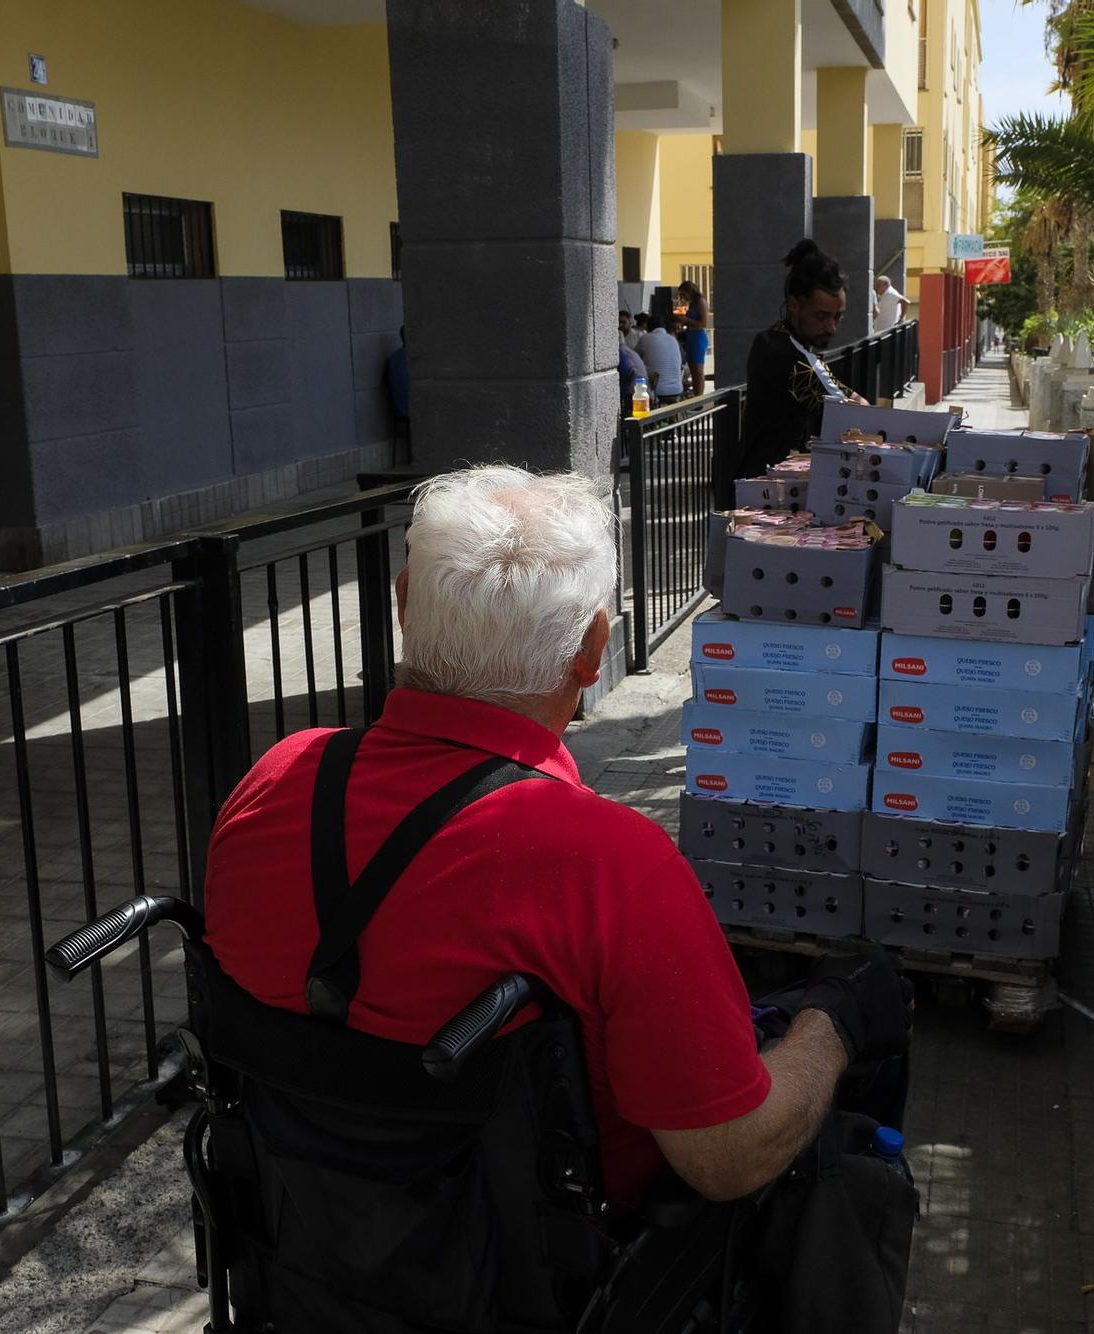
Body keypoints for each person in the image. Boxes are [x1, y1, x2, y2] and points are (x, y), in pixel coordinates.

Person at [201, 465, 912, 1216]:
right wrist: (834, 1023)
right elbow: (727, 1159)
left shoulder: (275, 779)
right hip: (552, 1268)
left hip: (303, 1247)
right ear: (593, 646)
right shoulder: (614, 866)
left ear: (405, 605)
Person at [732, 239, 866, 497]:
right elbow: (856, 409)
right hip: (768, 493)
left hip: (768, 484)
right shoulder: (788, 357)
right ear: (794, 304)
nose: (831, 327)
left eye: (838, 316)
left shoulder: (780, 342)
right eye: (821, 316)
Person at [635, 312, 686, 405]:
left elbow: (634, 358)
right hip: (677, 389)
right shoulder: (673, 340)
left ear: (648, 327)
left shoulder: (645, 338)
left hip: (657, 391)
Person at [678, 281, 711, 398]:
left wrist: (686, 320)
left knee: (698, 370)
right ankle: (696, 393)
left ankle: (699, 396)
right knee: (692, 368)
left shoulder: (701, 302)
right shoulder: (692, 303)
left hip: (698, 337)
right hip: (691, 336)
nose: (682, 297)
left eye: (683, 294)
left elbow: (703, 323)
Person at [618, 339, 647, 418]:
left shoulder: (621, 352)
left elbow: (632, 371)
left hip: (635, 394)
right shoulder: (629, 351)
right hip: (646, 390)